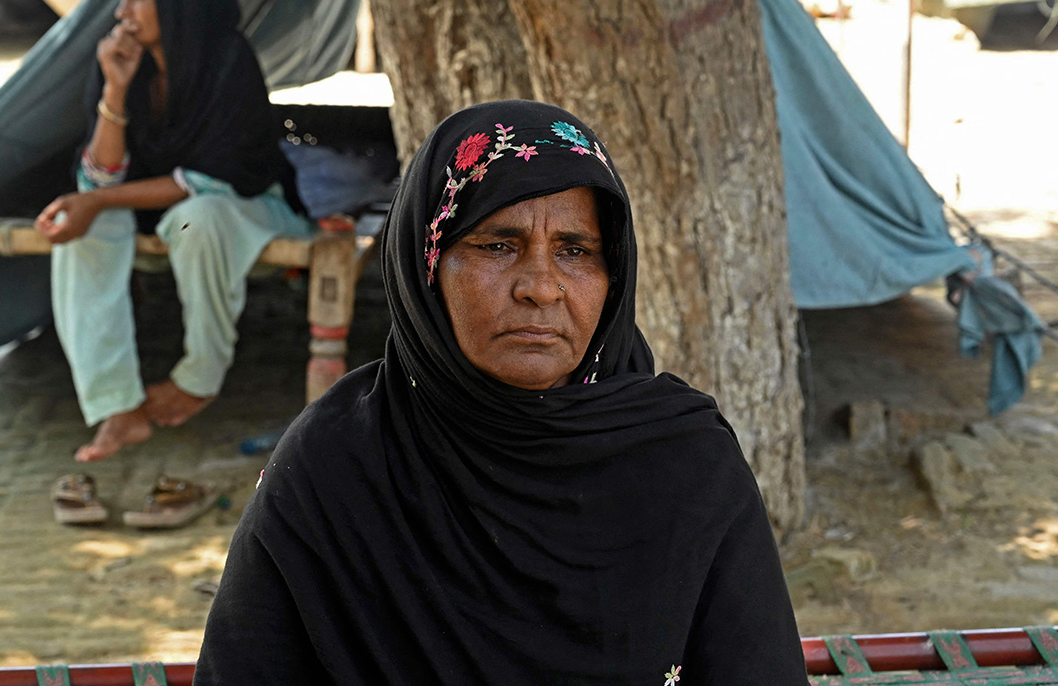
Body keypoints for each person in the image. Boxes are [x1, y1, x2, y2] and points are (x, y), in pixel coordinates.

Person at [194, 100, 809, 685]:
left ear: (613, 274)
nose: (541, 287)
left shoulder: (685, 464)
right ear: (426, 267)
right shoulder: (334, 465)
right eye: (497, 245)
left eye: (576, 250)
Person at [34, 0, 312, 462]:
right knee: (82, 226)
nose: (122, 10)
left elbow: (213, 176)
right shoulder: (121, 62)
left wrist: (99, 199)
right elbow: (100, 177)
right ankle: (116, 406)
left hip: (246, 207)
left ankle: (199, 378)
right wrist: (116, 92)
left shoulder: (226, 58)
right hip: (159, 212)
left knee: (199, 216)